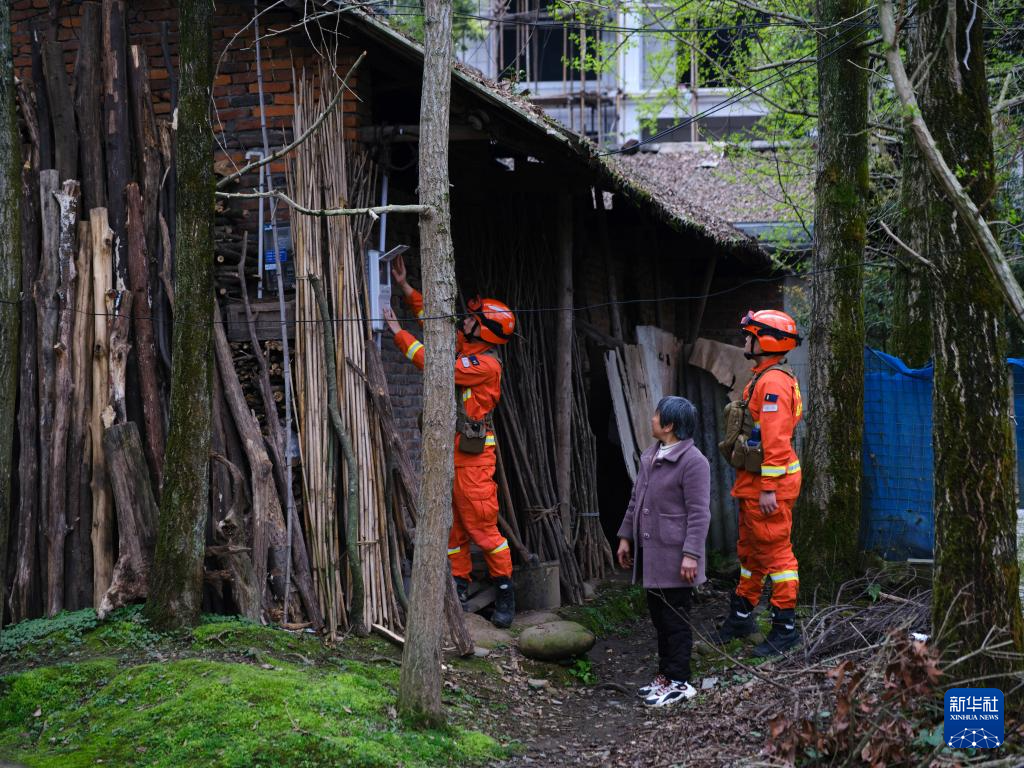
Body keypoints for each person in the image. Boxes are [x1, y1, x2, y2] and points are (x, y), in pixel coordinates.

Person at [381, 255, 518, 628]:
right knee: (453, 528)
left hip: (473, 461)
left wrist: (398, 333)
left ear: (485, 330)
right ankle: (459, 587)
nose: (465, 320)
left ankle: (505, 594)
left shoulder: (485, 364)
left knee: (482, 530)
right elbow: (437, 326)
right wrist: (406, 288)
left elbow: (436, 365)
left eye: (473, 318)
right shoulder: (467, 346)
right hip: (450, 453)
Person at [714, 309, 803, 656]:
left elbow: (775, 440)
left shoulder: (773, 383)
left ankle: (785, 629)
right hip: (754, 483)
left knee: (778, 557)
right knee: (751, 553)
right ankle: (741, 616)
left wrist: (768, 488)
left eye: (750, 335)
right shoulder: (764, 377)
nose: (745, 340)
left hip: (769, 487)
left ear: (765, 340)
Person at [616, 396, 711, 708]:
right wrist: (626, 537)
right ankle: (665, 676)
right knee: (659, 618)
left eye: (657, 415)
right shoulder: (651, 454)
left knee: (675, 619)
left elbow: (699, 513)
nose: (652, 419)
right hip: (653, 554)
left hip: (676, 556)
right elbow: (635, 500)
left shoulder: (694, 462)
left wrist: (691, 554)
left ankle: (680, 681)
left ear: (669, 425)